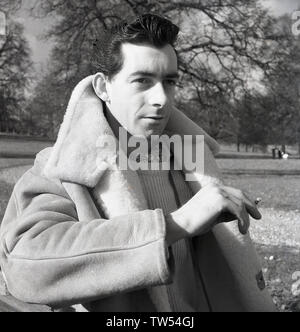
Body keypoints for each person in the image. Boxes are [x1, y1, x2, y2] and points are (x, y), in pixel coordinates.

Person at [0, 14, 275, 312]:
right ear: (103, 87)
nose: (160, 98)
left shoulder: (192, 157)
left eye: (169, 82)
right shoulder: (60, 167)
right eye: (142, 80)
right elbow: (25, 266)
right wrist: (176, 224)